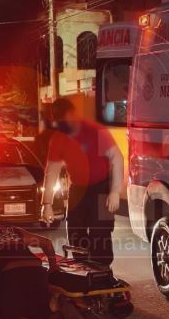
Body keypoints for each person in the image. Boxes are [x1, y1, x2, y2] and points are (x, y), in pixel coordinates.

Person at [41, 98, 124, 266]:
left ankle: (102, 271)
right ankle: (81, 269)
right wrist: (47, 203)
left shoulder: (95, 131)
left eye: (63, 118)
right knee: (75, 231)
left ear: (72, 114)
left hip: (101, 187)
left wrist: (115, 191)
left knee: (100, 232)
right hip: (77, 188)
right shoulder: (58, 139)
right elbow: (52, 171)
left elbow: (117, 158)